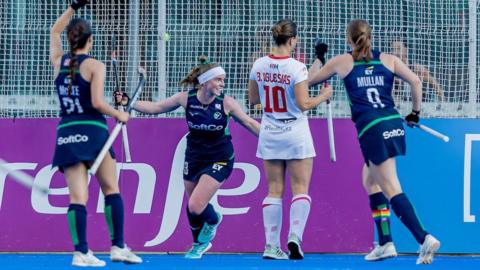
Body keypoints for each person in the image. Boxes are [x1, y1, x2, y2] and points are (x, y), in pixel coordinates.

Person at [308, 19, 440, 265]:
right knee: (370, 180)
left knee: (391, 186)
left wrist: (319, 57)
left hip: (371, 128)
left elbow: (308, 81)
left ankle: (424, 238)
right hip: (392, 123)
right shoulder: (388, 59)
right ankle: (385, 242)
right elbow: (416, 81)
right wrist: (415, 112)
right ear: (370, 36)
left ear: (349, 38)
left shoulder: (342, 61)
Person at [131, 56, 260, 259]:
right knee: (193, 208)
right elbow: (156, 108)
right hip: (194, 157)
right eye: (218, 80)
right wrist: (129, 103)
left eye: (223, 80)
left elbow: (250, 123)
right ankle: (199, 243)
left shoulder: (226, 103)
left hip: (220, 158)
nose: (222, 84)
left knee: (195, 204)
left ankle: (214, 219)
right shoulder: (185, 98)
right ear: (205, 81)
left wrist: (274, 138)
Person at [50, 1, 142, 266]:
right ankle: (118, 247)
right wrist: (120, 114)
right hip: (93, 131)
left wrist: (71, 8)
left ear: (70, 39)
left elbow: (54, 32)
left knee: (77, 197)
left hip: (66, 134)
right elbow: (98, 103)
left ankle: (81, 252)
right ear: (90, 40)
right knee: (111, 189)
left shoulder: (60, 61)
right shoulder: (95, 65)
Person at [248, 19, 332, 260]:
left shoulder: (259, 64)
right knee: (300, 189)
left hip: (271, 131)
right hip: (295, 132)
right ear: (293, 40)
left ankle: (271, 246)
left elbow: (253, 99)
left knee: (274, 190)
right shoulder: (296, 67)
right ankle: (294, 236)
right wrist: (323, 96)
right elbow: (304, 104)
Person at [391, 41, 444, 109]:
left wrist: (441, 100)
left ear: (406, 50)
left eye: (398, 48)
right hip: (398, 108)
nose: (395, 52)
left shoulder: (416, 68)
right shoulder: (389, 69)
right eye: (393, 49)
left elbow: (436, 86)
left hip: (417, 107)